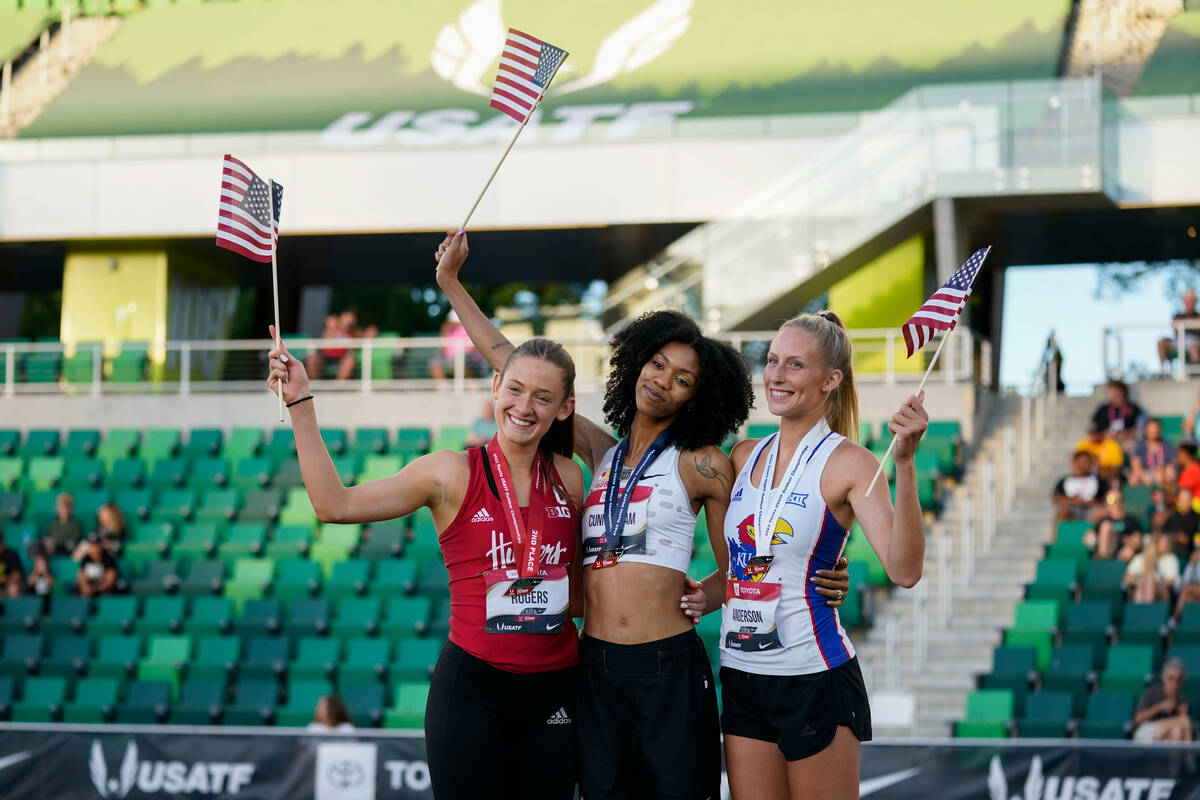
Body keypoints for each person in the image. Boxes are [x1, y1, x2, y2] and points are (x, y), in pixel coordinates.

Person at [433, 231, 851, 800]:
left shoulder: (703, 464)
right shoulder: (599, 453)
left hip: (671, 669)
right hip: (595, 667)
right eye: (657, 364)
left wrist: (824, 565)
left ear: (695, 399)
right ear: (636, 362)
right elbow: (513, 363)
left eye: (683, 380)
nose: (663, 381)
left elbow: (753, 553)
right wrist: (452, 285)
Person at [269, 324, 584, 800]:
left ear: (564, 409)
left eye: (543, 397)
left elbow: (579, 592)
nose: (523, 406)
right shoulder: (448, 472)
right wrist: (301, 403)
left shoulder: (570, 477)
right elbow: (335, 505)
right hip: (473, 691)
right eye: (515, 389)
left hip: (555, 691)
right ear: (495, 386)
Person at [716, 312, 926, 800]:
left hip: (814, 674)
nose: (777, 375)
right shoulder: (744, 455)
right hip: (742, 673)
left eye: (794, 364)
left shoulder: (851, 461)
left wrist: (907, 463)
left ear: (831, 379)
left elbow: (905, 570)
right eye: (772, 361)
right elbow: (740, 568)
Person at [1133, 658, 1193, 742]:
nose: (1175, 684)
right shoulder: (1152, 692)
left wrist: (1183, 713)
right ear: (1163, 677)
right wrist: (1159, 708)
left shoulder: (1183, 698)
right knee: (1184, 720)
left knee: (1177, 731)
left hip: (1166, 736)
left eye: (1178, 680)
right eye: (1171, 679)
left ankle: (1181, 754)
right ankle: (1189, 753)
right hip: (1148, 732)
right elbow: (1137, 719)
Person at [1051, 451, 1108, 526]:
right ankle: (1058, 537)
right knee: (1062, 513)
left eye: (1088, 461)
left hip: (1091, 509)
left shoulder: (1099, 481)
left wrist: (1096, 502)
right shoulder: (1065, 481)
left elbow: (1108, 497)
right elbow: (1056, 498)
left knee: (1102, 513)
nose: (1085, 464)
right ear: (1075, 462)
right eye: (1083, 461)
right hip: (1073, 510)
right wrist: (1074, 501)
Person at [1124, 531, 1180, 604]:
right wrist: (1139, 581)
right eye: (1164, 542)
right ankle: (1144, 608)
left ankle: (1146, 608)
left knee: (1149, 580)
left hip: (1163, 590)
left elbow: (1172, 581)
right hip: (1142, 587)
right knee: (1142, 585)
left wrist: (1154, 582)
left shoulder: (1171, 558)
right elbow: (1127, 576)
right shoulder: (1141, 558)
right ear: (1155, 544)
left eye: (1168, 542)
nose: (1167, 544)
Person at [1087, 492, 1143, 558]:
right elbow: (1088, 538)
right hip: (1107, 550)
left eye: (1117, 501)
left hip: (1122, 552)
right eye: (1110, 501)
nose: (1115, 504)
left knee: (1128, 552)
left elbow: (1138, 542)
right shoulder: (1104, 520)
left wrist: (1121, 539)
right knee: (1106, 526)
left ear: (1122, 502)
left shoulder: (1131, 520)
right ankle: (1104, 559)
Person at [1089, 380, 1143, 448]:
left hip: (1127, 441)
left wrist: (1126, 433)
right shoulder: (1102, 410)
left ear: (1121, 392)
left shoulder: (1134, 409)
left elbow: (1141, 427)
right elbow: (1093, 429)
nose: (1109, 394)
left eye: (1112, 391)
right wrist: (1104, 434)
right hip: (1106, 441)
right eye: (1109, 391)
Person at [1158, 288, 1200, 374]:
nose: (1189, 303)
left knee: (1194, 347)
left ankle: (1194, 374)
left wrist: (1184, 324)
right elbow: (1174, 327)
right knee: (1161, 342)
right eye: (1187, 301)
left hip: (1194, 342)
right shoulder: (1177, 315)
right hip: (1178, 342)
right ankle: (1163, 372)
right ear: (1183, 302)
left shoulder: (1198, 315)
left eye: (1191, 301)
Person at [1129, 418, 1175, 488]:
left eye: (1155, 429)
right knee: (1133, 478)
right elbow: (1136, 466)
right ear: (1146, 431)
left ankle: (1167, 496)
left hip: (1162, 473)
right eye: (1151, 429)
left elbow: (1171, 464)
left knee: (1169, 474)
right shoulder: (1140, 446)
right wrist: (1145, 475)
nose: (1153, 431)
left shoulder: (1167, 446)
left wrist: (1162, 472)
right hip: (1145, 474)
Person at [35, 492, 81, 558]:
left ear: (71, 509)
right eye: (61, 507)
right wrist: (48, 541)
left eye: (67, 507)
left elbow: (73, 542)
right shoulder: (54, 522)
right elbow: (48, 536)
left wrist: (55, 543)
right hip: (51, 548)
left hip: (65, 549)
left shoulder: (75, 523)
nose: (64, 510)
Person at [1161, 488, 1198, 561]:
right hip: (1171, 551)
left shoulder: (1197, 518)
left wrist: (1190, 543)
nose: (1185, 502)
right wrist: (1174, 537)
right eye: (1182, 500)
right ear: (1179, 501)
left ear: (1191, 500)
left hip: (1190, 553)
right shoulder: (1172, 517)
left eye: (1187, 500)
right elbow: (1163, 532)